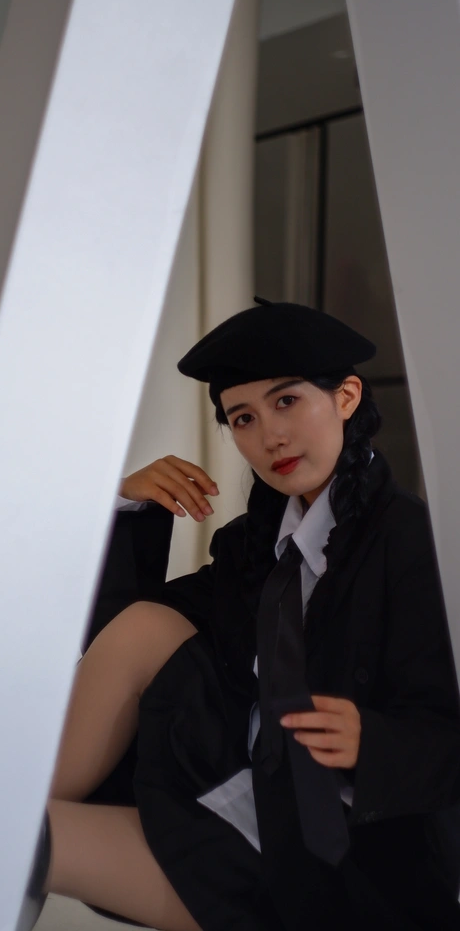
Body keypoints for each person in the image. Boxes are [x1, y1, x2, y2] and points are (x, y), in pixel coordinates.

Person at [37, 300, 460, 931]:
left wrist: (373, 744)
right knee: (16, 833)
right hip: (228, 792)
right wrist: (124, 506)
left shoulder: (419, 544)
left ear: (346, 397)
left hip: (342, 855)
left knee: (15, 842)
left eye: (286, 401)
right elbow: (122, 639)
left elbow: (444, 734)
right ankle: (5, 803)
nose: (270, 436)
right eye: (244, 418)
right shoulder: (251, 546)